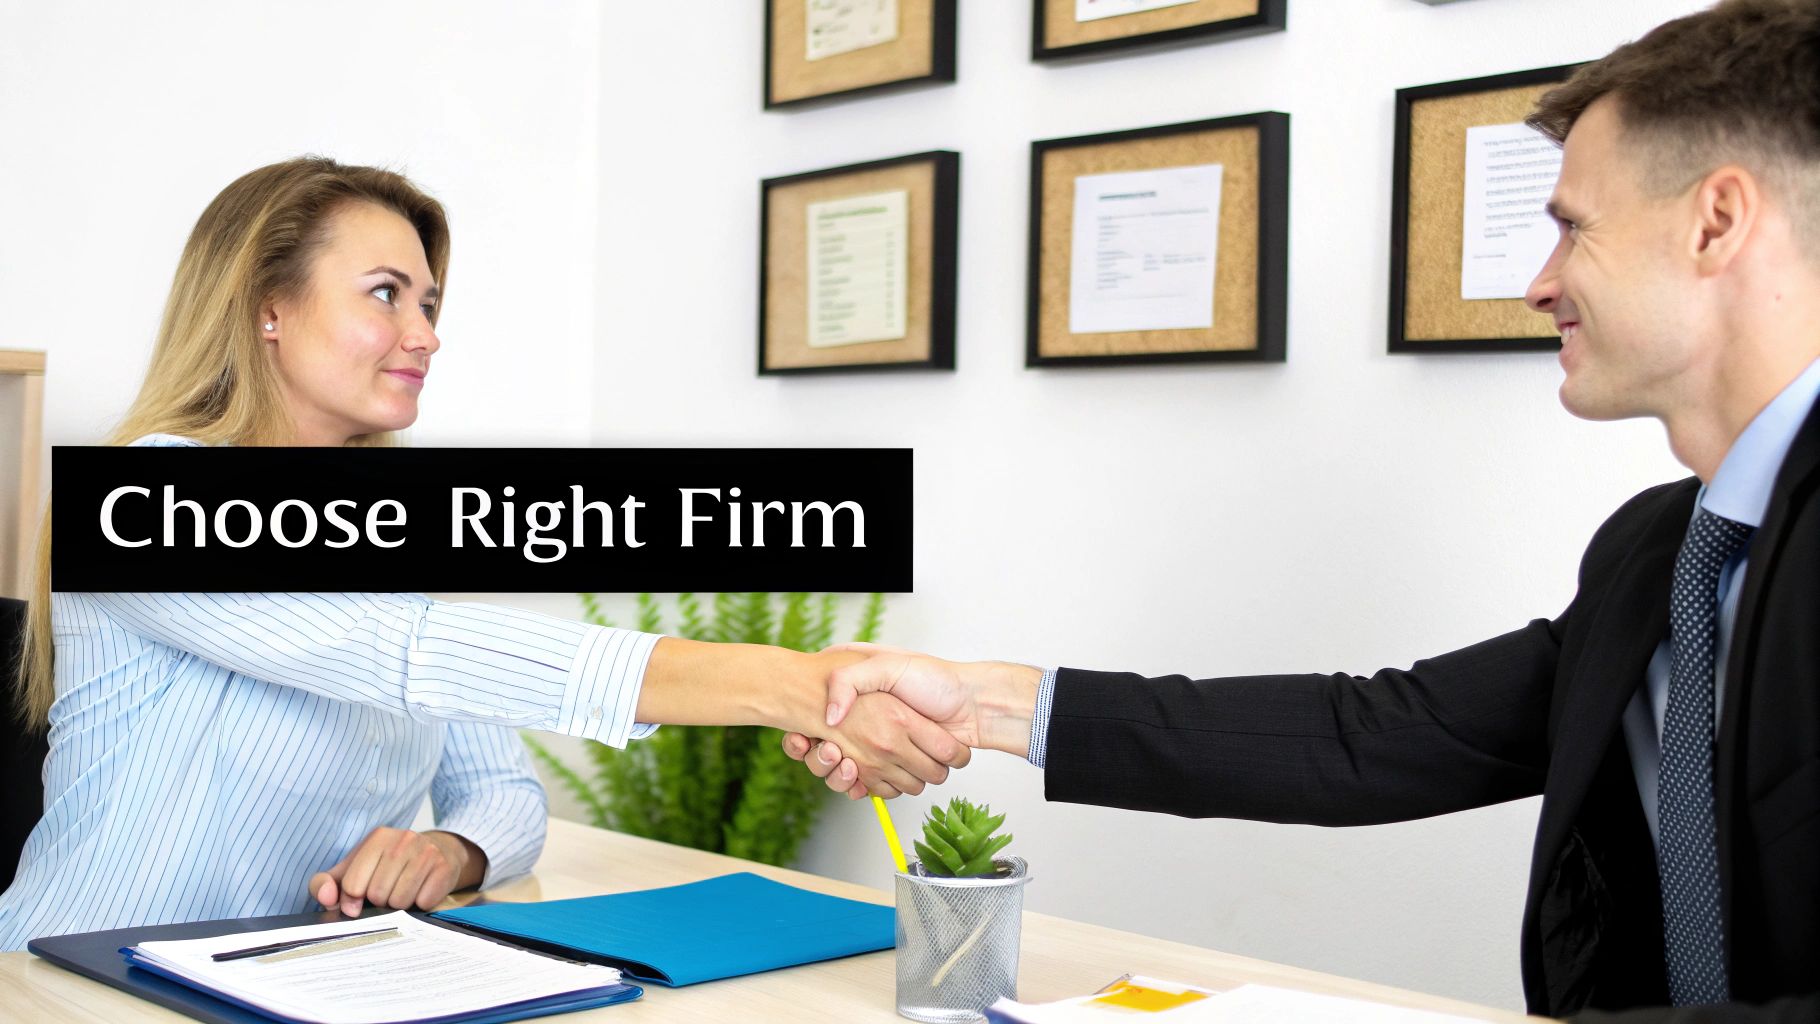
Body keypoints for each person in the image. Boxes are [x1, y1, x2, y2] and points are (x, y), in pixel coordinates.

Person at [785, 1, 1820, 1019]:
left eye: (1572, 229)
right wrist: (986, 704)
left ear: (1715, 223)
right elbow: (1383, 733)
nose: (1539, 285)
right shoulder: (1661, 549)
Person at [0, 157, 967, 951]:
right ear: (267, 308)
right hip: (72, 982)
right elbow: (414, 657)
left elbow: (500, 790)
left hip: (278, 983)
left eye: (429, 304)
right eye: (387, 296)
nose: (425, 335)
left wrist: (452, 851)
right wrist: (789, 685)